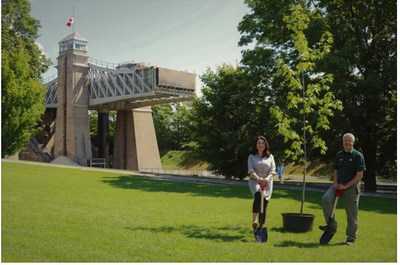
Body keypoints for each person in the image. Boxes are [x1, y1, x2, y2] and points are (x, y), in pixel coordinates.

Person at [320, 133, 366, 245]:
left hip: (351, 187)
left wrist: (345, 186)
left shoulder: (358, 156)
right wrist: (335, 183)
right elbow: (336, 171)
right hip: (338, 184)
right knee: (326, 199)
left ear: (353, 142)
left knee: (351, 214)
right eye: (345, 140)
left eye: (349, 140)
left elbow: (359, 175)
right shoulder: (339, 155)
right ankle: (332, 226)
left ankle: (350, 238)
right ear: (342, 141)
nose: (347, 142)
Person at [247, 136, 276, 229]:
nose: (261, 145)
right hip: (255, 181)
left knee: (264, 203)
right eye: (259, 143)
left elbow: (273, 170)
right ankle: (255, 219)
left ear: (265, 145)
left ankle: (261, 226)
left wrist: (267, 179)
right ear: (256, 145)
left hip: (267, 182)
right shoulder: (251, 157)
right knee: (258, 195)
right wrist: (259, 179)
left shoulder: (270, 156)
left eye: (262, 143)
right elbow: (251, 171)